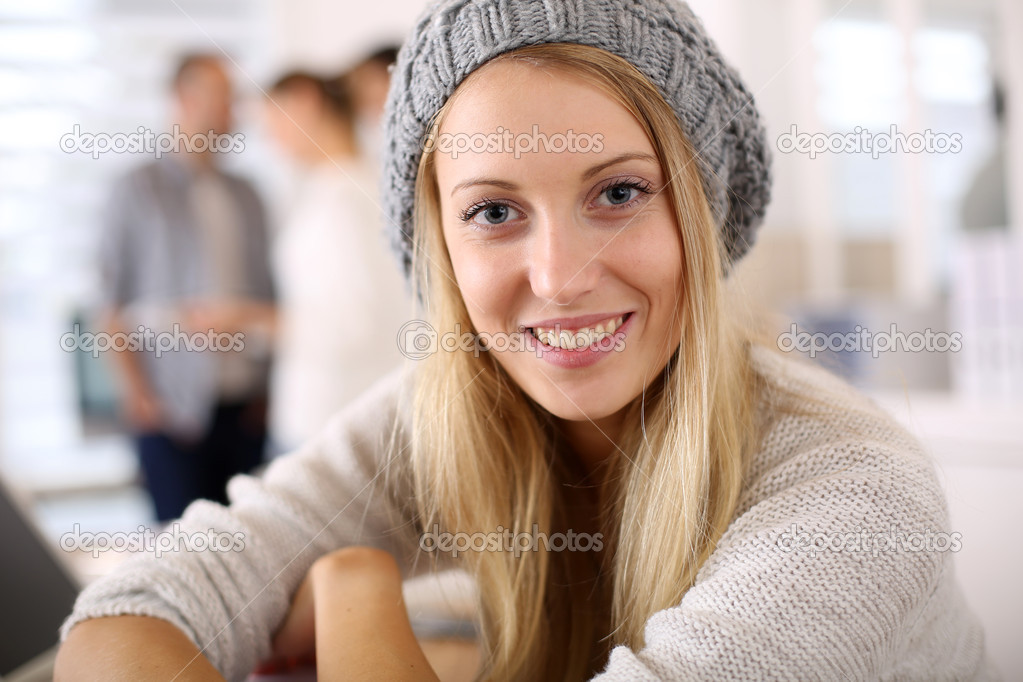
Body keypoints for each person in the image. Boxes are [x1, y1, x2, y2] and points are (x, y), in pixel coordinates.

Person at [56, 1, 995, 680]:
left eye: (618, 193)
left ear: (700, 218)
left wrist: (352, 593)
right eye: (494, 210)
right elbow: (126, 616)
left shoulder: (855, 496)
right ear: (442, 249)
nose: (557, 276)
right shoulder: (446, 409)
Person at [97, 53, 276, 522]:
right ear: (184, 98)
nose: (232, 112)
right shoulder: (136, 189)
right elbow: (110, 301)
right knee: (181, 552)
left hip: (244, 411)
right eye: (223, 99)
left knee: (249, 550)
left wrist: (267, 392)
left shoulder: (248, 194)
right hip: (171, 411)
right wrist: (139, 398)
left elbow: (268, 294)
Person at [262, 70, 410, 451]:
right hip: (345, 408)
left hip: (330, 414)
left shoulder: (343, 199)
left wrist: (253, 322)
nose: (269, 137)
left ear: (305, 102)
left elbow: (355, 323)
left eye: (273, 119)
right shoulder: (357, 185)